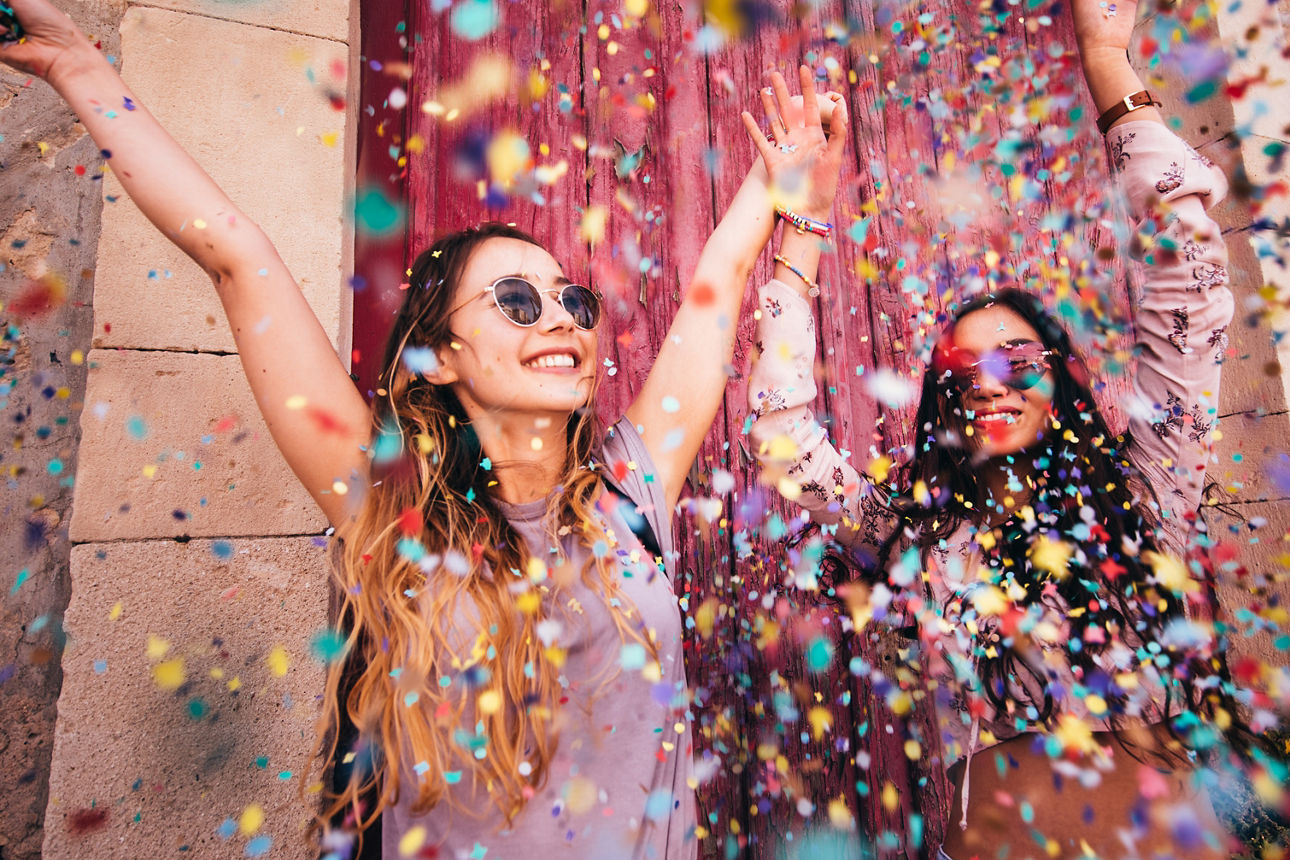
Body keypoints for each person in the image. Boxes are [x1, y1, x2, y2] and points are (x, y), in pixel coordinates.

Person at [0, 2, 851, 857]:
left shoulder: (633, 491)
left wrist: (789, 197)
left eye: (572, 300)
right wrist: (81, 67)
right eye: (516, 301)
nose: (559, 318)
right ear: (440, 357)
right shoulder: (391, 513)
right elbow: (238, 258)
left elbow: (725, 273)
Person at [744, 0, 1253, 856]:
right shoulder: (915, 543)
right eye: (960, 370)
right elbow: (783, 434)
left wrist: (1105, 59)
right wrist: (802, 222)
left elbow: (1190, 283)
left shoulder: (1147, 494)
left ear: (1057, 381)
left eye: (1017, 360)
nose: (990, 386)